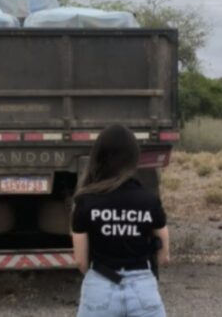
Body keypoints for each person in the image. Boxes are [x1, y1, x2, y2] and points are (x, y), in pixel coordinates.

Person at [71, 125, 170, 317]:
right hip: (143, 291)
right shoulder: (149, 200)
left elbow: (81, 262)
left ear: (98, 156)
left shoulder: (85, 201)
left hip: (100, 289)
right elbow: (164, 256)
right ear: (134, 157)